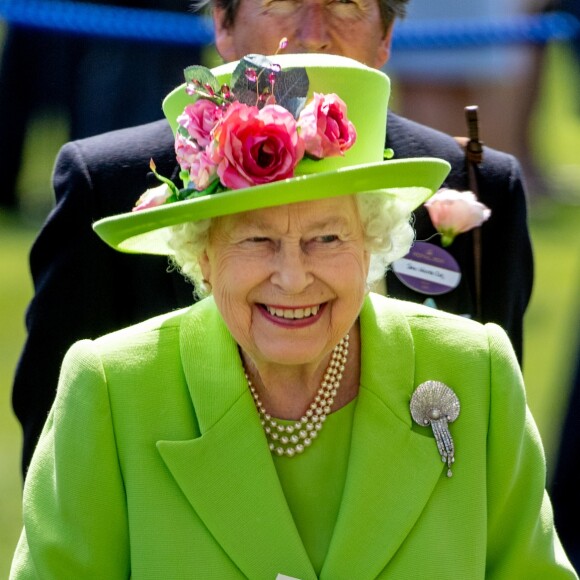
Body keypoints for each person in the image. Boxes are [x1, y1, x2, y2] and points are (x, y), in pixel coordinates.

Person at [9, 53, 576, 578]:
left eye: (327, 237)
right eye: (256, 240)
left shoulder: (475, 371)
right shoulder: (112, 390)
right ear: (203, 256)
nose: (293, 277)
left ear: (372, 243)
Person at [12, 0, 534, 478]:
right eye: (282, 2)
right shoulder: (109, 185)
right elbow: (60, 458)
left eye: (346, 5)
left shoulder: (476, 190)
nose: (312, 35)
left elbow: (493, 449)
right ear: (223, 22)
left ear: (387, 35)